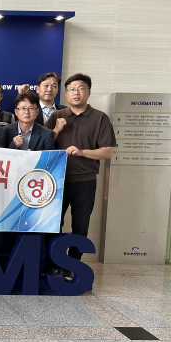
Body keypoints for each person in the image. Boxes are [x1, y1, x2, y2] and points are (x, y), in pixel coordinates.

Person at [44, 73, 115, 281]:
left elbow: (107, 151)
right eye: (72, 89)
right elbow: (43, 145)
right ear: (66, 93)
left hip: (85, 180)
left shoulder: (100, 118)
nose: (76, 93)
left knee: (80, 225)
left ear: (89, 92)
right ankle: (52, 263)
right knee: (53, 224)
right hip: (56, 181)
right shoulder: (57, 116)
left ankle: (72, 264)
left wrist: (83, 152)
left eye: (81, 88)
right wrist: (56, 130)